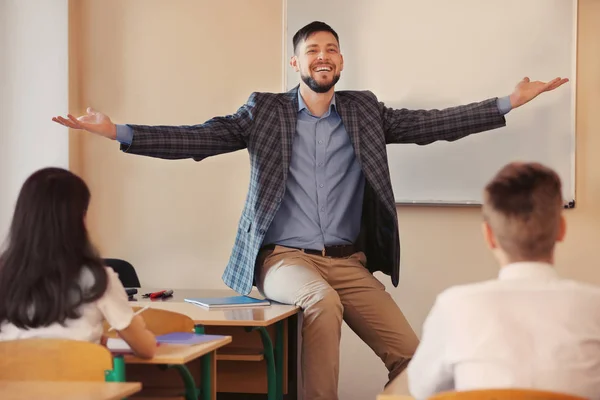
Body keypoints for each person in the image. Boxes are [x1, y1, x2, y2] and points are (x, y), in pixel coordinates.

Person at [52, 21, 568, 399]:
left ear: (340, 63)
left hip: (349, 262)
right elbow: (199, 138)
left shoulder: (365, 110)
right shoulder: (265, 111)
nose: (323, 56)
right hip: (284, 261)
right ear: (296, 64)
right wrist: (118, 131)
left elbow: (432, 124)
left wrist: (504, 102)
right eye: (312, 50)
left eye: (332, 50)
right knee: (319, 301)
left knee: (415, 358)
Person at [407, 162, 600, 400]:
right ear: (561, 229)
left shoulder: (454, 306)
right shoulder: (594, 307)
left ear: (489, 236)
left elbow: (421, 389)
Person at [0, 167, 157, 359]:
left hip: (14, 386)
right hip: (82, 386)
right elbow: (146, 349)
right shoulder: (98, 279)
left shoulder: (4, 275)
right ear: (77, 219)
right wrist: (137, 327)